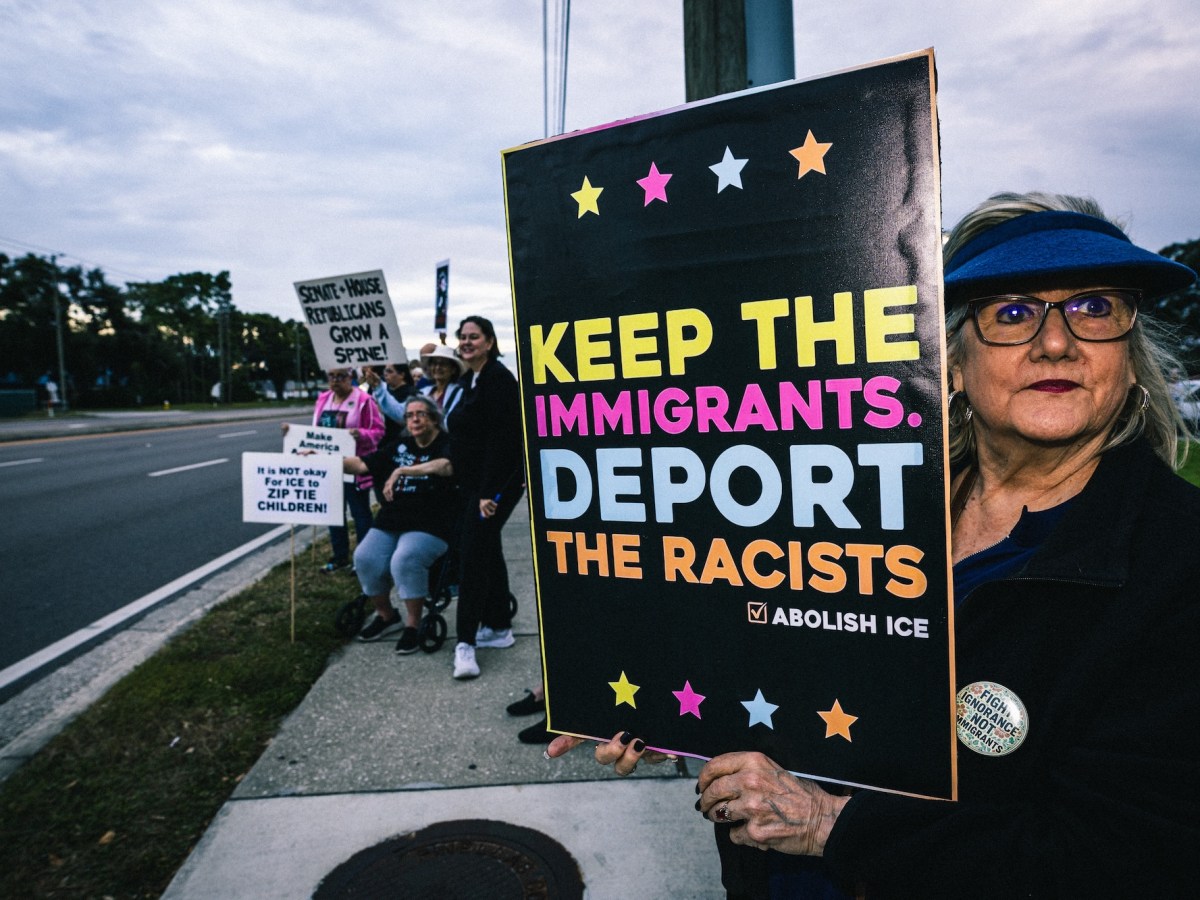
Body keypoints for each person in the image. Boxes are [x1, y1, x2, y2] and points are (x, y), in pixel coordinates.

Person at [548, 192, 1200, 898]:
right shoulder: (858, 501)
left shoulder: (1177, 564)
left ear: (1129, 361)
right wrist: (668, 706)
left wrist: (832, 825)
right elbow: (775, 659)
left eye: (1094, 308)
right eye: (1011, 313)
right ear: (950, 364)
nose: (1056, 342)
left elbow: (1135, 860)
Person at [343, 394, 458, 652]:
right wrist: (321, 458)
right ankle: (386, 616)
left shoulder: (446, 443)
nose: (414, 419)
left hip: (431, 521)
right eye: (409, 415)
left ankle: (413, 624)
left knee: (404, 559)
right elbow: (361, 464)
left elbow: (446, 466)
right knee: (364, 557)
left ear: (434, 419)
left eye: (421, 414)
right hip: (393, 519)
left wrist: (403, 471)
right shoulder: (400, 445)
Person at [446, 315, 525, 679]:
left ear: (490, 342)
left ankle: (466, 643)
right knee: (486, 549)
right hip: (472, 486)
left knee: (473, 556)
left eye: (473, 337)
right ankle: (498, 627)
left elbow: (504, 443)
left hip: (492, 488)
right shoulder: (470, 379)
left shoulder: (499, 380)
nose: (466, 342)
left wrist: (488, 493)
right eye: (462, 337)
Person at [285, 367, 385, 572]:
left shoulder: (364, 400)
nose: (336, 380)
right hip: (328, 467)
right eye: (332, 376)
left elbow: (378, 431)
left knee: (360, 513)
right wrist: (292, 434)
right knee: (333, 513)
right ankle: (340, 557)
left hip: (354, 466)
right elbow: (316, 432)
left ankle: (363, 559)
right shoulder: (323, 399)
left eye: (341, 376)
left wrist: (361, 434)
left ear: (351, 378)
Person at [362, 362, 418, 444]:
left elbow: (401, 416)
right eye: (385, 371)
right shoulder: (384, 388)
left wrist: (378, 388)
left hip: (400, 440)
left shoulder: (411, 393)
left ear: (402, 375)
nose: (385, 374)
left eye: (390, 371)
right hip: (382, 440)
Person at [418, 343, 466, 420]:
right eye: (434, 363)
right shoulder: (423, 392)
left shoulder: (460, 393)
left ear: (453, 369)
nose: (437, 367)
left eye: (443, 364)